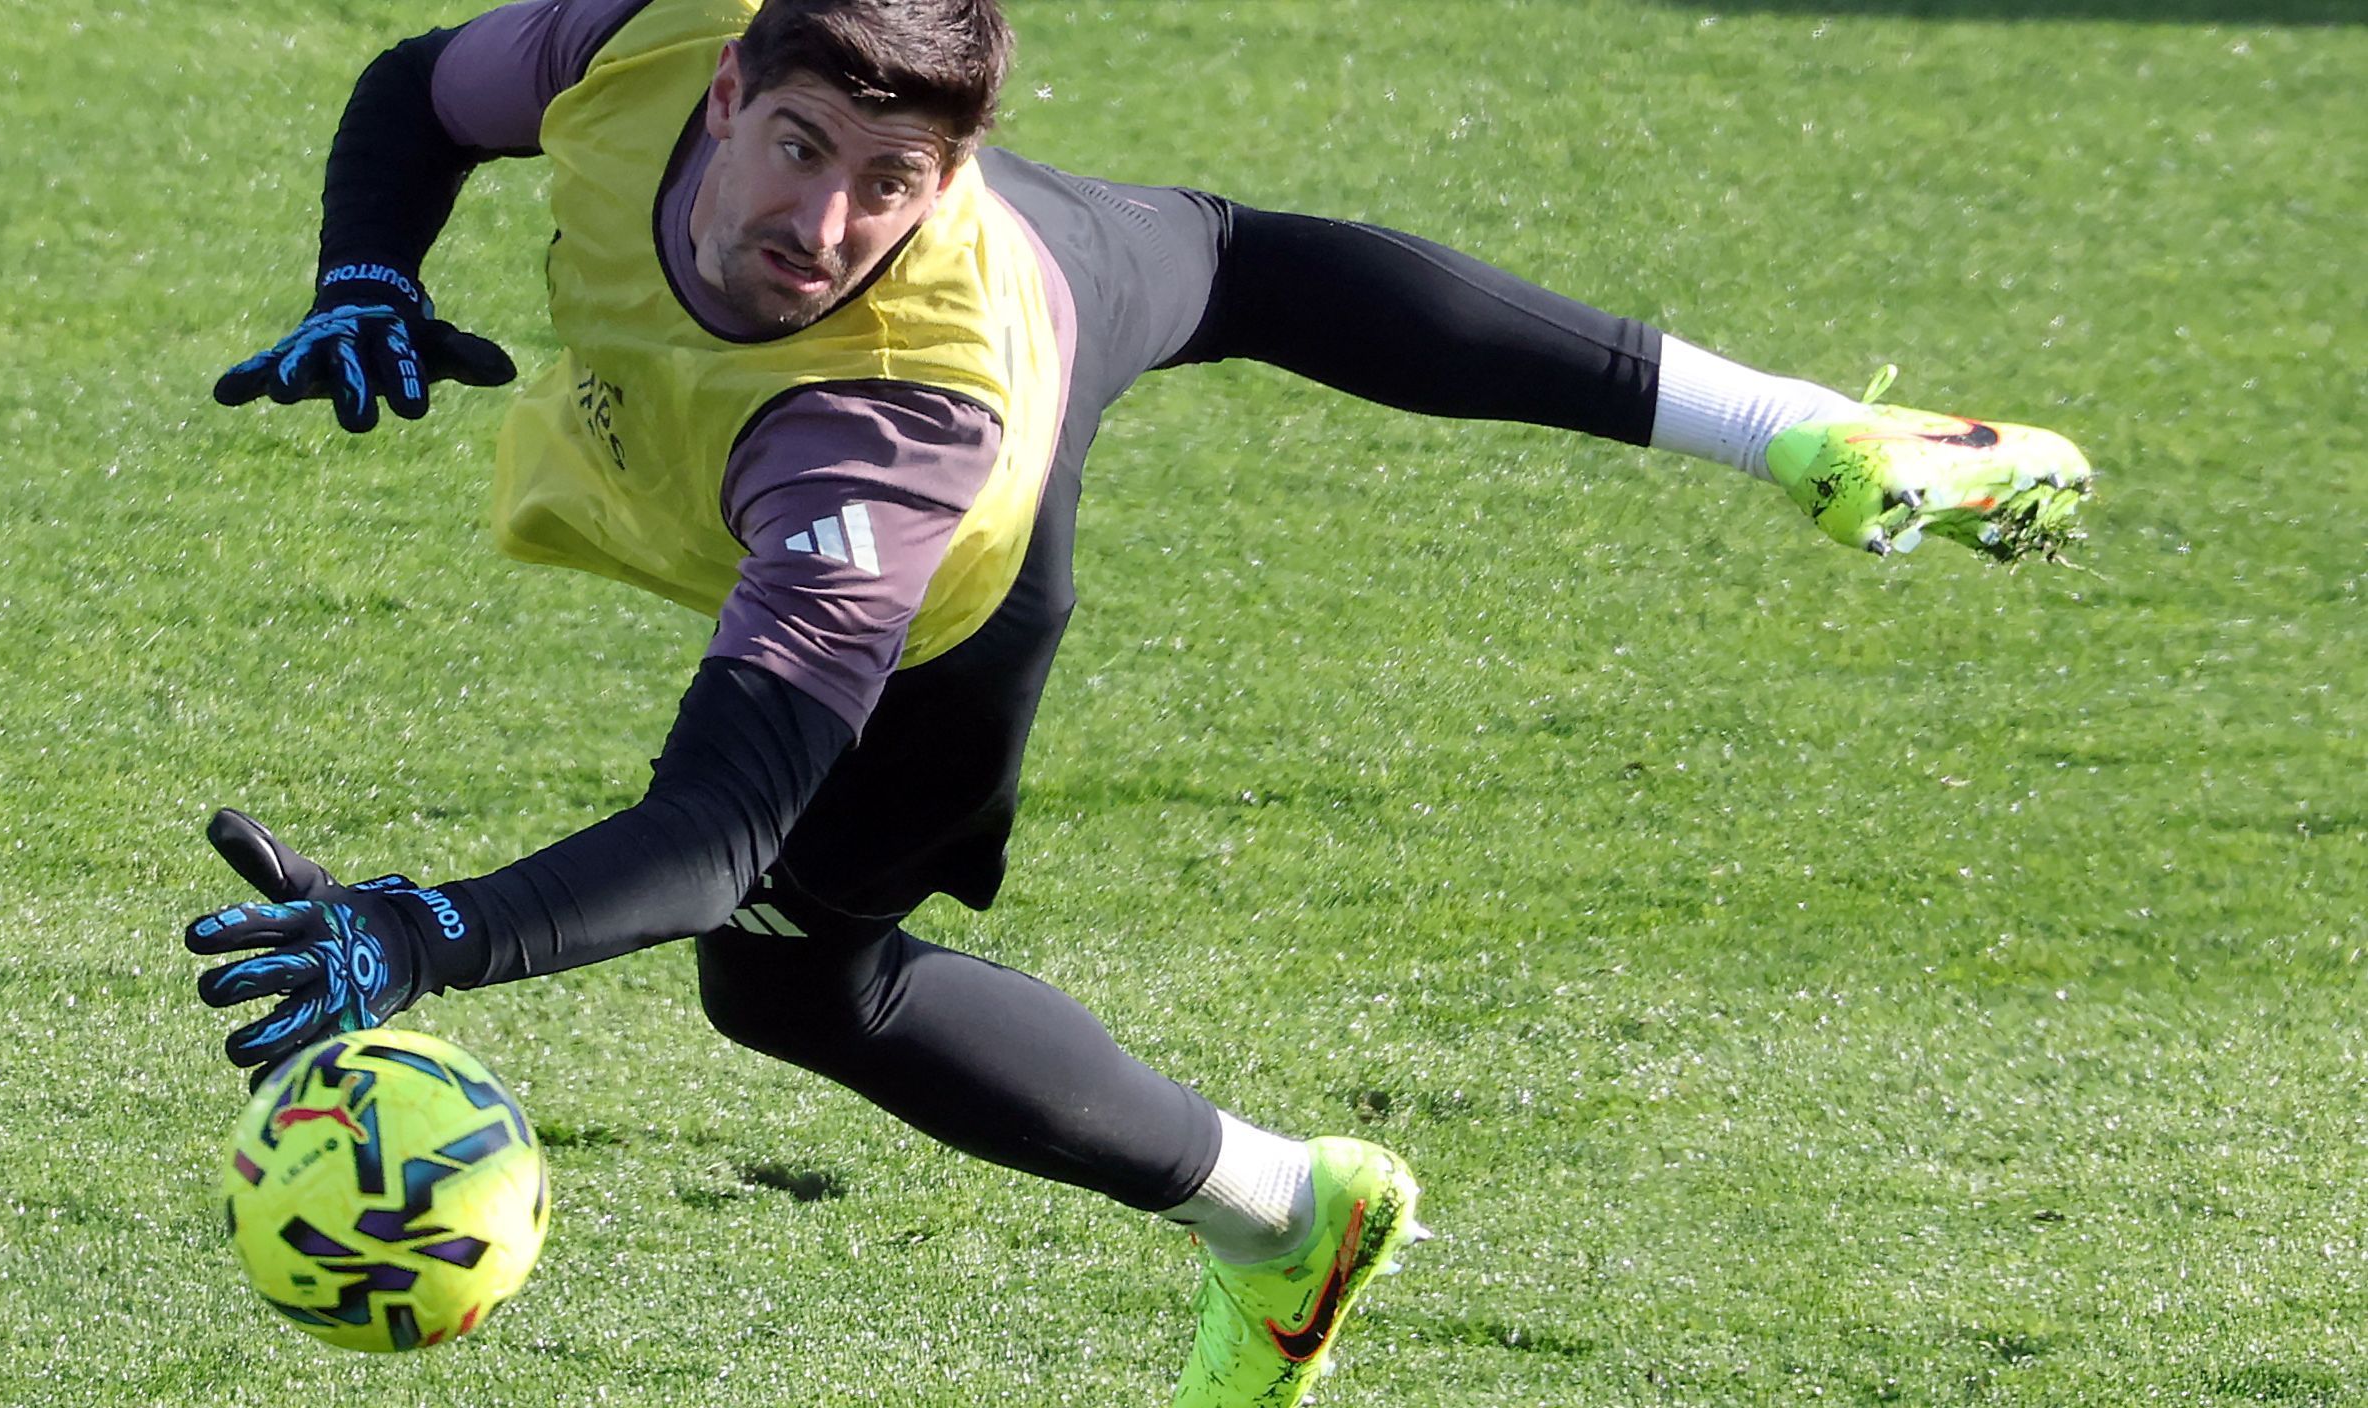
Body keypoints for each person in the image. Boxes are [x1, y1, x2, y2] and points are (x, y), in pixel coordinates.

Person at [185, 0, 2093, 1399]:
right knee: (1235, 258)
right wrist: (366, 268)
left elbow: (717, 833)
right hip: (1036, 274)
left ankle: (1289, 1213)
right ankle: (1814, 430)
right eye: (803, 153)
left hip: (946, 618)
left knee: (790, 974)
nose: (831, 222)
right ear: (725, 84)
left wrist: (427, 935)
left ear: (947, 183)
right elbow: (411, 87)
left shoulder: (901, 421)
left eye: (895, 188)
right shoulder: (640, 40)